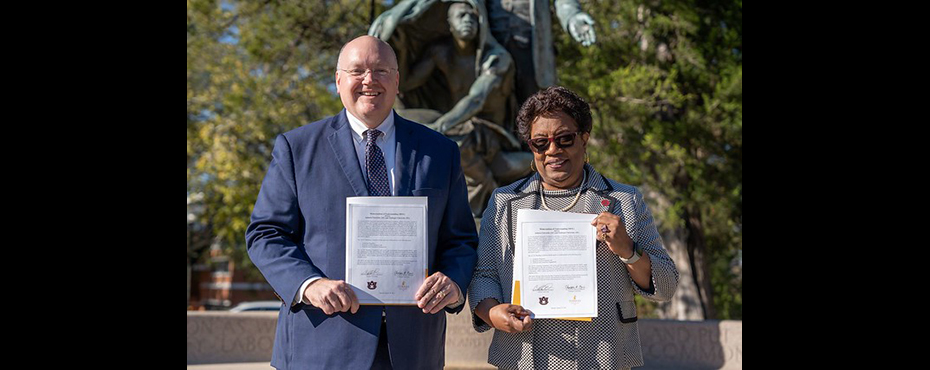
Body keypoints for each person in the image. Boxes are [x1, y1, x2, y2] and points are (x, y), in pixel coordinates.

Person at [246, 35, 479, 370]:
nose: (369, 80)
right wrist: (308, 285)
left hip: (413, 350)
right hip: (322, 344)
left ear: (397, 81)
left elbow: (460, 240)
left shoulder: (440, 151)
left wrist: (453, 283)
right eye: (357, 71)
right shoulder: (296, 149)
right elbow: (265, 234)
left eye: (381, 70)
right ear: (338, 81)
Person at [468, 86, 679, 369]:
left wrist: (628, 250)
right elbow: (484, 274)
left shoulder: (623, 201)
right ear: (531, 147)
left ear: (584, 139)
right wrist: (493, 312)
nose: (553, 150)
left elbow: (666, 287)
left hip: (605, 355)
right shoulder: (505, 202)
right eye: (540, 143)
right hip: (524, 355)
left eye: (564, 139)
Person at [370, 0, 532, 217]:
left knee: (458, 142)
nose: (468, 21)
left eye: (473, 16)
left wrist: (438, 128)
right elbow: (406, 84)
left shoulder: (495, 58)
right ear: (449, 24)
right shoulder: (441, 53)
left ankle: (483, 191)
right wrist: (400, 48)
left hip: (489, 132)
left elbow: (475, 100)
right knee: (398, 125)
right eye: (461, 16)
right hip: (456, 124)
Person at [487, 0, 597, 105]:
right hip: (489, 49)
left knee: (533, 109)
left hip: (531, 52)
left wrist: (572, 16)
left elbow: (564, 2)